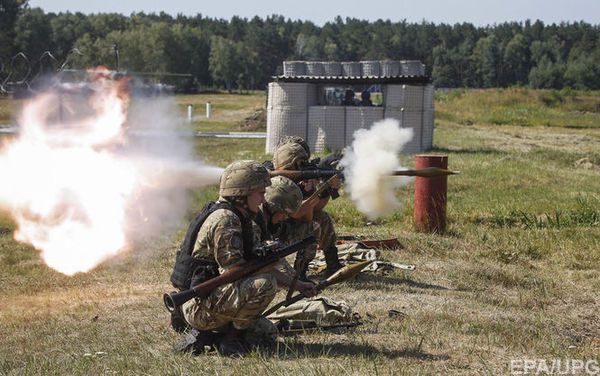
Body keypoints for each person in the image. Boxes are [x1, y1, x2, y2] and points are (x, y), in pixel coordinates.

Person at [172, 160, 316, 357]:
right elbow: (233, 272)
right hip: (199, 304)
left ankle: (208, 336)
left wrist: (296, 283)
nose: (263, 199)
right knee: (265, 284)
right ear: (242, 193)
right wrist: (270, 266)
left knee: (267, 334)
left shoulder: (238, 215)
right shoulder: (226, 220)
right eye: (260, 193)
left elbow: (244, 268)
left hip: (209, 297)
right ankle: (231, 339)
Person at [272, 141, 343, 279]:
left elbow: (315, 210)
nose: (303, 167)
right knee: (311, 227)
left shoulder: (297, 182)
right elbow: (301, 215)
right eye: (299, 165)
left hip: (286, 227)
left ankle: (333, 265)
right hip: (272, 235)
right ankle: (299, 274)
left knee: (322, 217)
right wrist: (319, 191)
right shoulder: (278, 184)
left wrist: (326, 190)